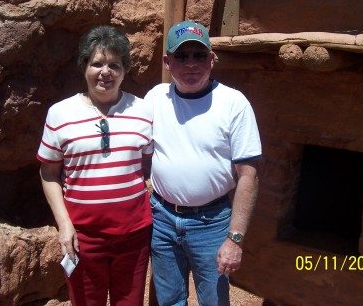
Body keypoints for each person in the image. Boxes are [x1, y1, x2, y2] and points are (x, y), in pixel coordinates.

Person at [145, 20, 261, 306]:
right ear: (167, 61)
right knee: (169, 299)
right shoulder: (155, 98)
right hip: (162, 220)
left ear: (211, 58)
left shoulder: (234, 103)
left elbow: (249, 175)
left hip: (211, 222)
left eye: (199, 55)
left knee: (213, 301)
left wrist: (235, 240)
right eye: (182, 56)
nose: (191, 64)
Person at [37, 25, 153, 306]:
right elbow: (49, 172)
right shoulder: (60, 113)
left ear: (125, 69)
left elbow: (149, 163)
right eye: (97, 63)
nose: (106, 72)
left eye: (114, 64)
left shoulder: (143, 111)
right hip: (82, 236)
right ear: (84, 67)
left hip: (134, 235)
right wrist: (64, 225)